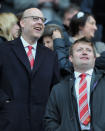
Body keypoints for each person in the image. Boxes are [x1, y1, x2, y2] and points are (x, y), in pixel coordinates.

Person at [0, 8, 60, 131]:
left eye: (42, 20)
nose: (40, 22)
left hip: (41, 123)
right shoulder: (3, 50)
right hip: (9, 122)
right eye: (35, 18)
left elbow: (55, 88)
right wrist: (4, 102)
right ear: (22, 23)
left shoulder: (50, 56)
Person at [44, 37, 105, 131]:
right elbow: (50, 120)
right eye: (79, 50)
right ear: (70, 58)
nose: (84, 52)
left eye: (88, 50)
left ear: (94, 58)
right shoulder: (58, 89)